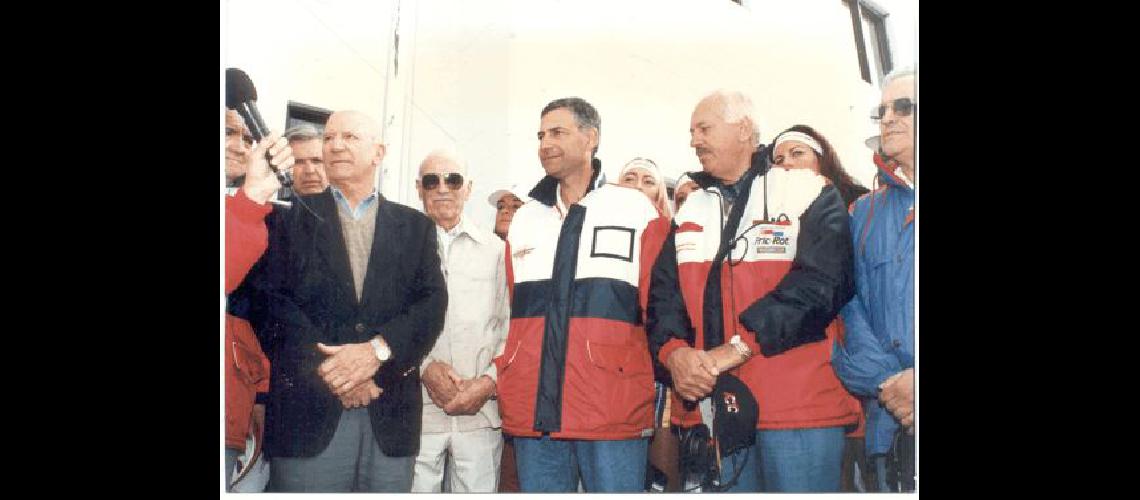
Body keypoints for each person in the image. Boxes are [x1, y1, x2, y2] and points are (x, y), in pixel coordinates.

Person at [649, 89, 859, 492]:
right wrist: (674, 355)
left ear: (744, 130)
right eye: (691, 131)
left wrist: (740, 345)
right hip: (719, 416)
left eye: (704, 128)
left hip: (797, 410)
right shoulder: (692, 208)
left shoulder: (806, 189)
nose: (694, 140)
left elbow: (824, 283)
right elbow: (662, 299)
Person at [493, 97, 674, 492]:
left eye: (557, 132)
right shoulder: (524, 219)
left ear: (591, 137)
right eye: (540, 135)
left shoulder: (636, 210)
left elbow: (659, 309)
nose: (545, 144)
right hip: (533, 408)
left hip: (610, 406)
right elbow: (513, 310)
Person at [261, 110, 448, 492]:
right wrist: (339, 372)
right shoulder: (282, 221)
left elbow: (430, 306)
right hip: (308, 412)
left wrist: (377, 355)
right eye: (329, 138)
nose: (336, 145)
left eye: (349, 137)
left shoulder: (416, 227)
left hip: (389, 413)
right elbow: (270, 306)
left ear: (379, 153)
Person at [831, 67, 917, 493]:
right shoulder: (862, 213)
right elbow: (848, 308)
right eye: (881, 110)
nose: (888, 118)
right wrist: (891, 383)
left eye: (904, 107)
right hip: (891, 428)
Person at [410, 150, 510, 493]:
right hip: (417, 410)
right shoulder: (400, 247)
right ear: (418, 189)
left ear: (467, 188)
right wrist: (424, 367)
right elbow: (387, 320)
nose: (442, 188)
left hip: (479, 412)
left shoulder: (497, 251)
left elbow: (510, 328)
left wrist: (488, 382)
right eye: (431, 181)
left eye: (453, 180)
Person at [224, 106, 293, 491]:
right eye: (227, 132)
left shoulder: (243, 210)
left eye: (247, 137)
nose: (240, 146)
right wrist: (252, 198)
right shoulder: (245, 207)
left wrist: (257, 391)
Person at [617, 156, 681, 492]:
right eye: (630, 178)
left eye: (648, 180)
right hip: (613, 363)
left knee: (660, 461)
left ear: (659, 193)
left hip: (659, 361)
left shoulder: (673, 233)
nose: (638, 186)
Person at [770, 125, 869, 207]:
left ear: (821, 158)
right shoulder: (774, 210)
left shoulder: (862, 202)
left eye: (797, 153)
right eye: (779, 160)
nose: (786, 163)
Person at [285, 124, 329, 196]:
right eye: (298, 162)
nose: (309, 170)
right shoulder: (271, 206)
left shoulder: (349, 206)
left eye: (317, 161)